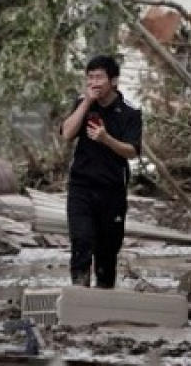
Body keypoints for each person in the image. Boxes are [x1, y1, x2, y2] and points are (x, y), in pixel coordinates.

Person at [61, 54, 142, 289]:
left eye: (99, 77)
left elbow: (132, 151)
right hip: (81, 187)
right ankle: (79, 295)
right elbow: (66, 134)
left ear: (113, 81)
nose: (94, 83)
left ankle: (103, 301)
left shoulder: (129, 112)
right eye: (90, 78)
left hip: (112, 190)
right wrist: (86, 102)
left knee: (107, 252)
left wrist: (106, 139)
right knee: (81, 242)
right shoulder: (82, 103)